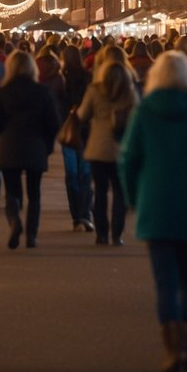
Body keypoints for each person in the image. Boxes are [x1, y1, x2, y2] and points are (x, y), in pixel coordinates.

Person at [120, 51, 187, 372]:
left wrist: (134, 199)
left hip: (155, 205)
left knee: (165, 282)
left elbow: (127, 160)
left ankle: (171, 349)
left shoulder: (143, 115)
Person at [0, 51, 61, 250]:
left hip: (8, 147)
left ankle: (14, 221)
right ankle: (32, 235)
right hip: (35, 146)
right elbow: (54, 122)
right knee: (34, 193)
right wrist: (47, 143)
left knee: (12, 192)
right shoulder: (43, 92)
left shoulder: (2, 92)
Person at [77, 59, 138, 246]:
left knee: (100, 192)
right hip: (121, 149)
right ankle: (117, 233)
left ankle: (101, 233)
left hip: (98, 148)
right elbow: (138, 119)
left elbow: (82, 115)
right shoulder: (130, 93)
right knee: (120, 193)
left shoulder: (95, 91)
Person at [60, 47, 94, 232]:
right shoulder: (88, 77)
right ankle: (85, 214)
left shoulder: (61, 79)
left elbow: (56, 105)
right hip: (86, 130)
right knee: (85, 174)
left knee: (71, 175)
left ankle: (76, 216)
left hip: (68, 131)